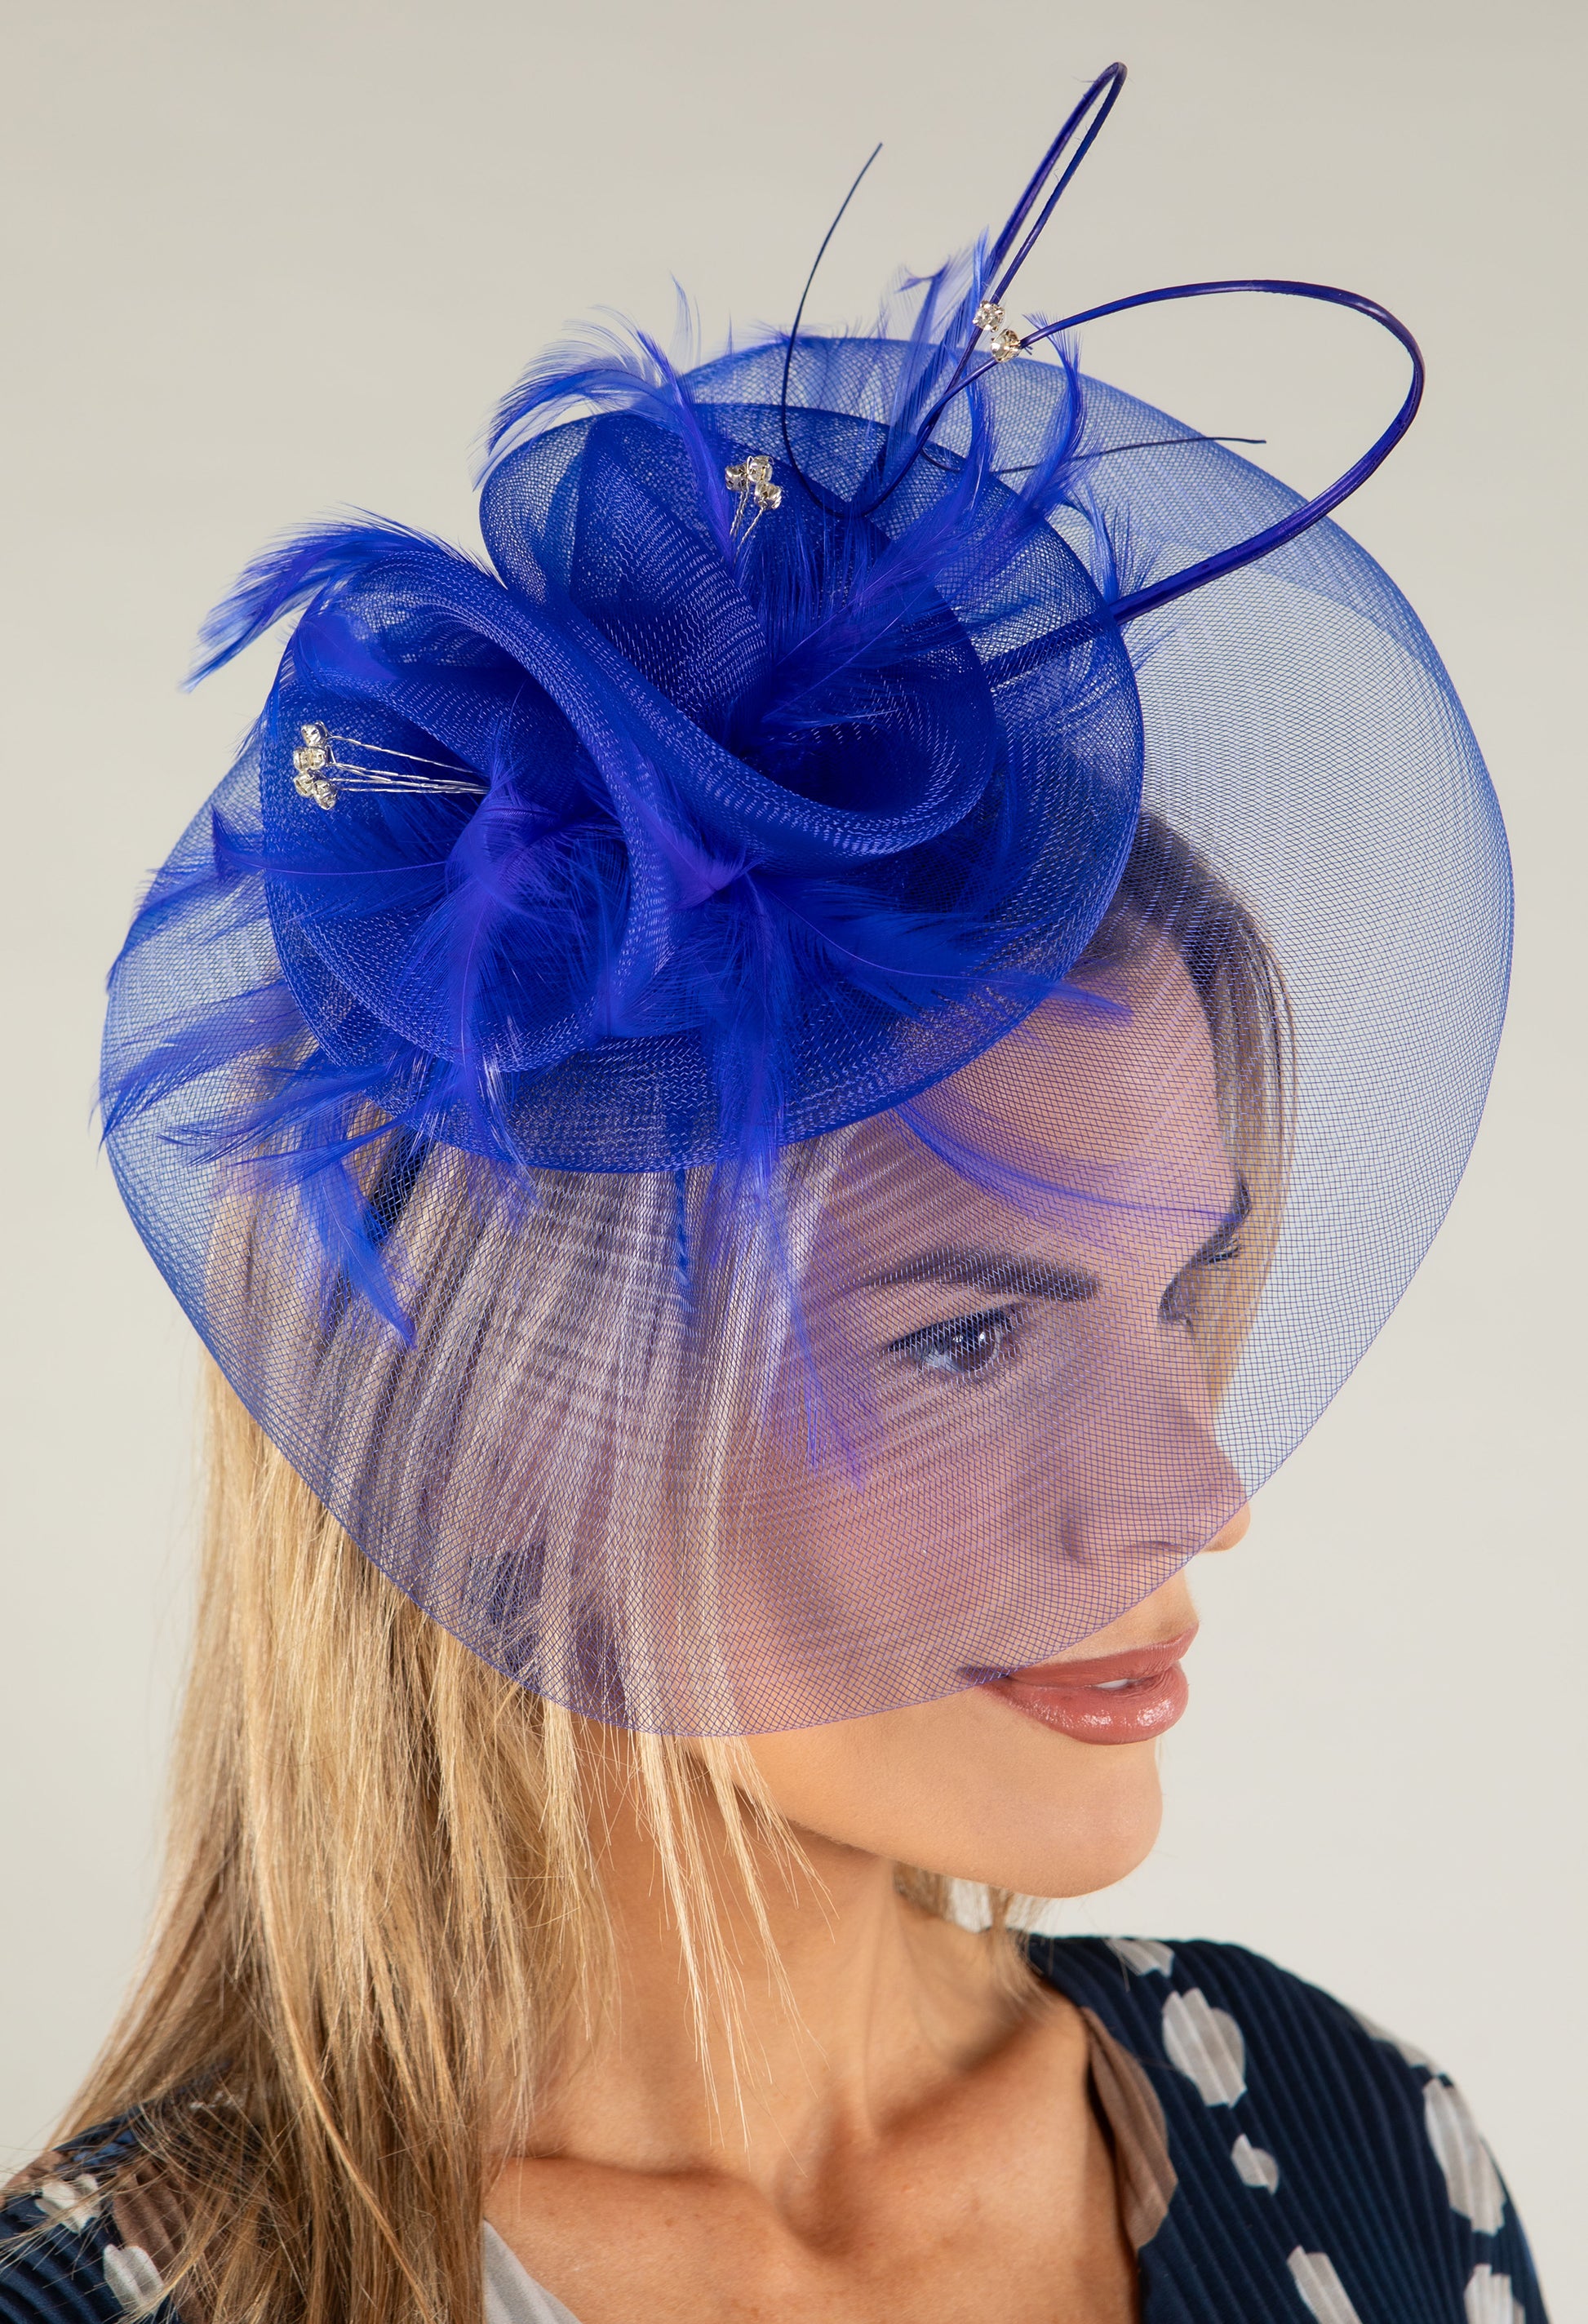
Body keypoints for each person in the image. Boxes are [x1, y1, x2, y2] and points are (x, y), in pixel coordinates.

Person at [1, 64, 1544, 2324]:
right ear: (518, 1435)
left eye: (1179, 1298)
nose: (1191, 1493)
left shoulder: (1350, 2154)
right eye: (963, 1337)